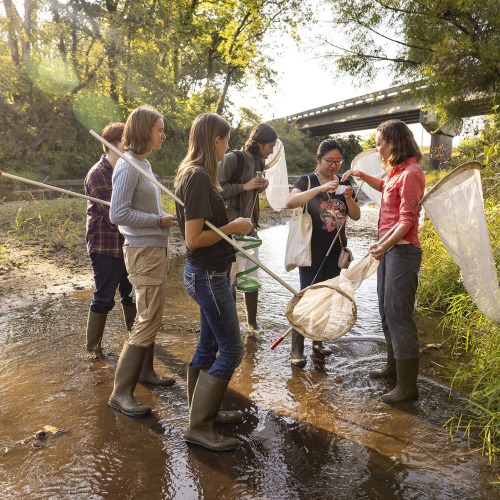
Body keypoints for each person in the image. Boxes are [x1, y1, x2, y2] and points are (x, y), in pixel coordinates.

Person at [175, 112, 253, 451]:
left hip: (209, 273)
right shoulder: (197, 178)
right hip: (207, 275)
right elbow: (193, 239)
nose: (229, 146)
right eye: (226, 139)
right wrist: (235, 226)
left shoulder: (194, 174)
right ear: (214, 141)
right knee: (232, 350)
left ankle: (203, 413)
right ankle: (198, 427)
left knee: (208, 347)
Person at [341, 119, 425, 403]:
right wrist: (363, 176)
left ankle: (407, 387)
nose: (377, 149)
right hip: (390, 251)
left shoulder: (412, 173)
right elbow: (385, 186)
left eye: (379, 144)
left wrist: (384, 244)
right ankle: (393, 368)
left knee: (399, 314)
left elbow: (407, 220)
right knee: (386, 310)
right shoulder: (395, 174)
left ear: (394, 143)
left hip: (402, 251)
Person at [108, 105, 177, 418]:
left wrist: (160, 220)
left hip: (154, 249)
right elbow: (117, 214)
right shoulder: (127, 165)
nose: (163, 134)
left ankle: (147, 373)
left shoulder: (144, 164)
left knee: (153, 315)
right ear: (143, 131)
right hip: (142, 251)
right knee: (147, 317)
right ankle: (120, 393)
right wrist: (158, 220)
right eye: (159, 129)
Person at [285, 139, 361, 368]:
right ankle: (296, 350)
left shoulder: (345, 182)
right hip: (310, 250)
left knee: (327, 297)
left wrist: (347, 197)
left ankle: (317, 344)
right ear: (318, 160)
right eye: (329, 161)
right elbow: (289, 202)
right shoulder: (307, 180)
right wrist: (319, 189)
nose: (334, 166)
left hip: (335, 251)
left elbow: (355, 216)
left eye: (338, 161)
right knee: (306, 297)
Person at [84, 122, 136, 359]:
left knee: (130, 295)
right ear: (116, 143)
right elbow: (114, 216)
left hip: (127, 245)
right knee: (104, 298)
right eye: (127, 142)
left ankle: (135, 342)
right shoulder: (98, 174)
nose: (130, 147)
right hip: (105, 247)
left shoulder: (126, 169)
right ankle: (93, 351)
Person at [218, 123, 277, 331]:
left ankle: (252, 324)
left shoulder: (259, 161)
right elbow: (217, 189)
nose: (271, 152)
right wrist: (245, 186)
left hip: (250, 228)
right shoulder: (233, 158)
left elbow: (252, 191)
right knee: (231, 277)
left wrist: (261, 186)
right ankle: (231, 324)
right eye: (270, 146)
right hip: (230, 227)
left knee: (252, 275)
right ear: (259, 143)